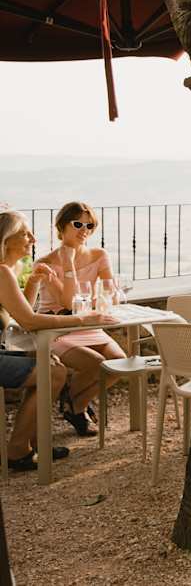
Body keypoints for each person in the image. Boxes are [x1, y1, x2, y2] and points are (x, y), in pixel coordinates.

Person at [0, 211, 114, 472]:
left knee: (52, 366)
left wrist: (34, 282)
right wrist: (81, 321)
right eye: (24, 234)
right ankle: (18, 450)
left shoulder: (6, 272)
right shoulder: (2, 272)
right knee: (51, 373)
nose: (32, 238)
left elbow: (20, 314)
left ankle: (34, 442)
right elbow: (29, 322)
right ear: (6, 241)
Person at [35, 202, 127, 437]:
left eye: (90, 225)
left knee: (118, 363)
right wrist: (68, 262)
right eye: (78, 224)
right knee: (96, 364)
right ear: (61, 226)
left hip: (87, 323)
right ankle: (77, 408)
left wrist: (113, 295)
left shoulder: (99, 255)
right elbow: (68, 303)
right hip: (57, 326)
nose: (84, 230)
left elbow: (110, 290)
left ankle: (74, 403)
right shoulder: (44, 263)